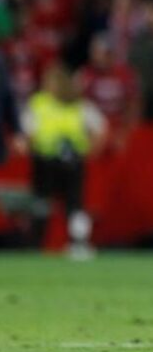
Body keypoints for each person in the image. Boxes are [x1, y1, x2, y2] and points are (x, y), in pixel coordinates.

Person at [22, 63, 106, 257]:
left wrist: (90, 150)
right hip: (45, 161)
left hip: (72, 161)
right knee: (42, 204)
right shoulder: (39, 103)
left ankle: (78, 244)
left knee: (74, 205)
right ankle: (36, 244)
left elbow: (100, 128)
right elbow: (28, 132)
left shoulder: (78, 104)